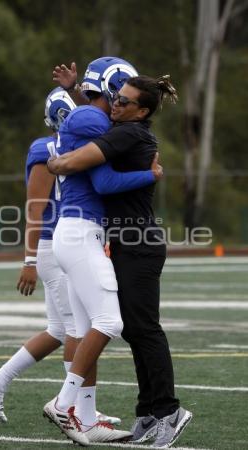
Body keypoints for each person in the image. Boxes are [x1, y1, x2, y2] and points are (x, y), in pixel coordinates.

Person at [48, 74, 193, 448]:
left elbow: (78, 166)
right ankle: (148, 410)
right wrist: (77, 88)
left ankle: (169, 411)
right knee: (131, 329)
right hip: (127, 243)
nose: (116, 104)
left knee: (144, 329)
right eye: (116, 97)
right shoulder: (125, 127)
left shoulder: (129, 133)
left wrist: (59, 162)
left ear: (141, 111)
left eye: (125, 102)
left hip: (140, 243)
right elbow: (95, 112)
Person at [0, 87, 120, 429]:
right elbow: (35, 208)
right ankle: (75, 410)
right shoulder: (45, 149)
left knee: (58, 329)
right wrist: (28, 260)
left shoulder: (75, 143)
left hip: (65, 241)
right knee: (76, 330)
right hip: (56, 242)